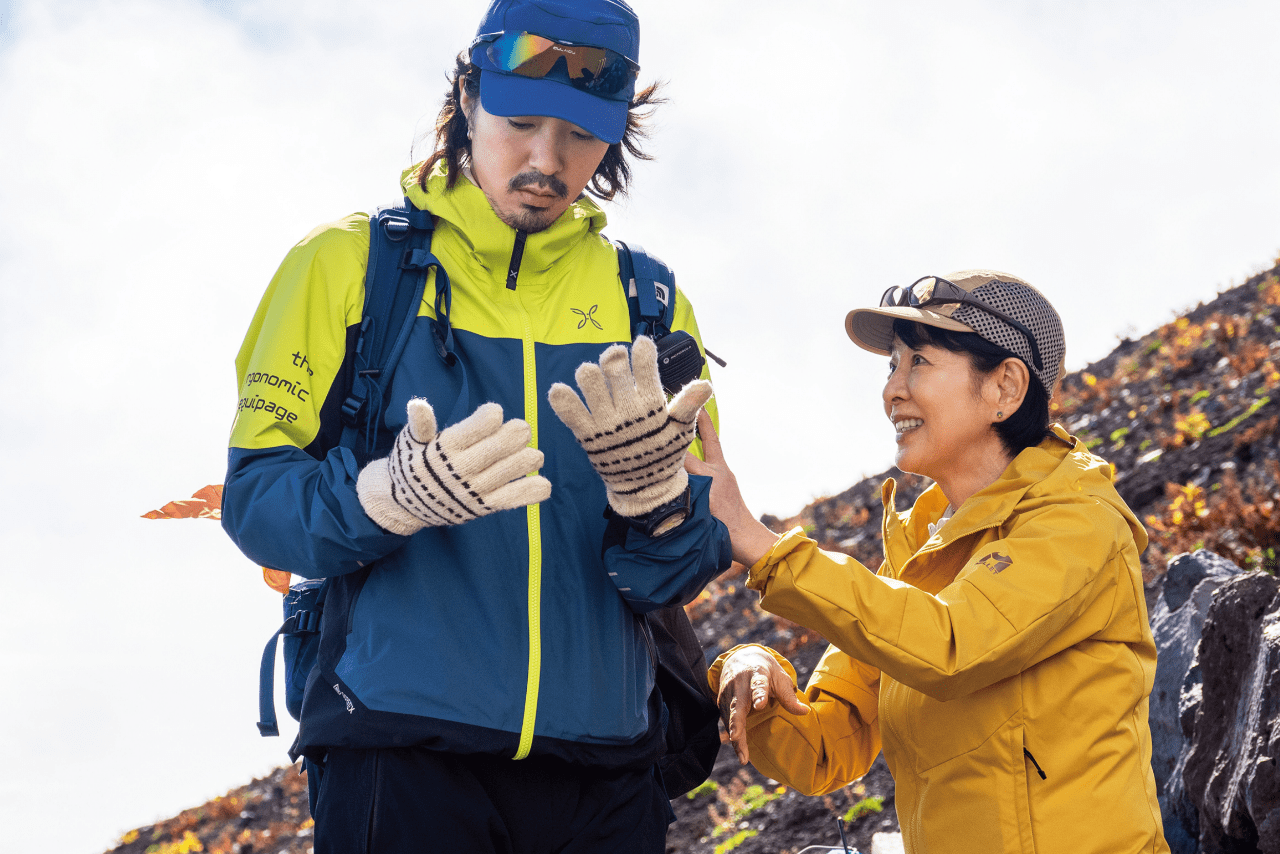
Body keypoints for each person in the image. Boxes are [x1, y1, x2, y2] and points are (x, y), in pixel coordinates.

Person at [220, 1, 730, 851]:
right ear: (467, 96)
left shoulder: (651, 299)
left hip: (606, 774)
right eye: (520, 120)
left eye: (580, 134)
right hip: (399, 750)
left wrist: (658, 503)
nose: (546, 159)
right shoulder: (349, 265)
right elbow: (258, 502)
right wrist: (387, 497)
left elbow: (680, 569)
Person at [687, 271, 1170, 854]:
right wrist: (751, 672)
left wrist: (754, 540)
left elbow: (953, 643)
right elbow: (821, 749)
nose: (893, 389)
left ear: (1004, 388)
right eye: (891, 365)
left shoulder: (1078, 519)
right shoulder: (922, 551)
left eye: (919, 362)